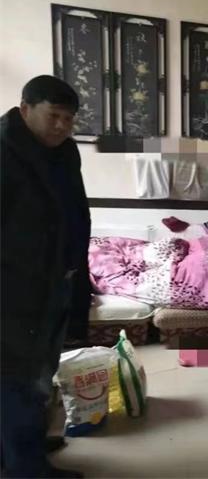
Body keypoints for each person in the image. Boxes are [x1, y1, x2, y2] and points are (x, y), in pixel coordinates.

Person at [1, 75, 91, 478]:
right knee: (17, 378)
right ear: (25, 109)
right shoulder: (4, 151)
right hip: (13, 288)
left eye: (68, 119)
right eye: (54, 116)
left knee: (41, 371)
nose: (62, 126)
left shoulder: (65, 152)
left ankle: (25, 446)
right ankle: (26, 468)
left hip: (55, 281)